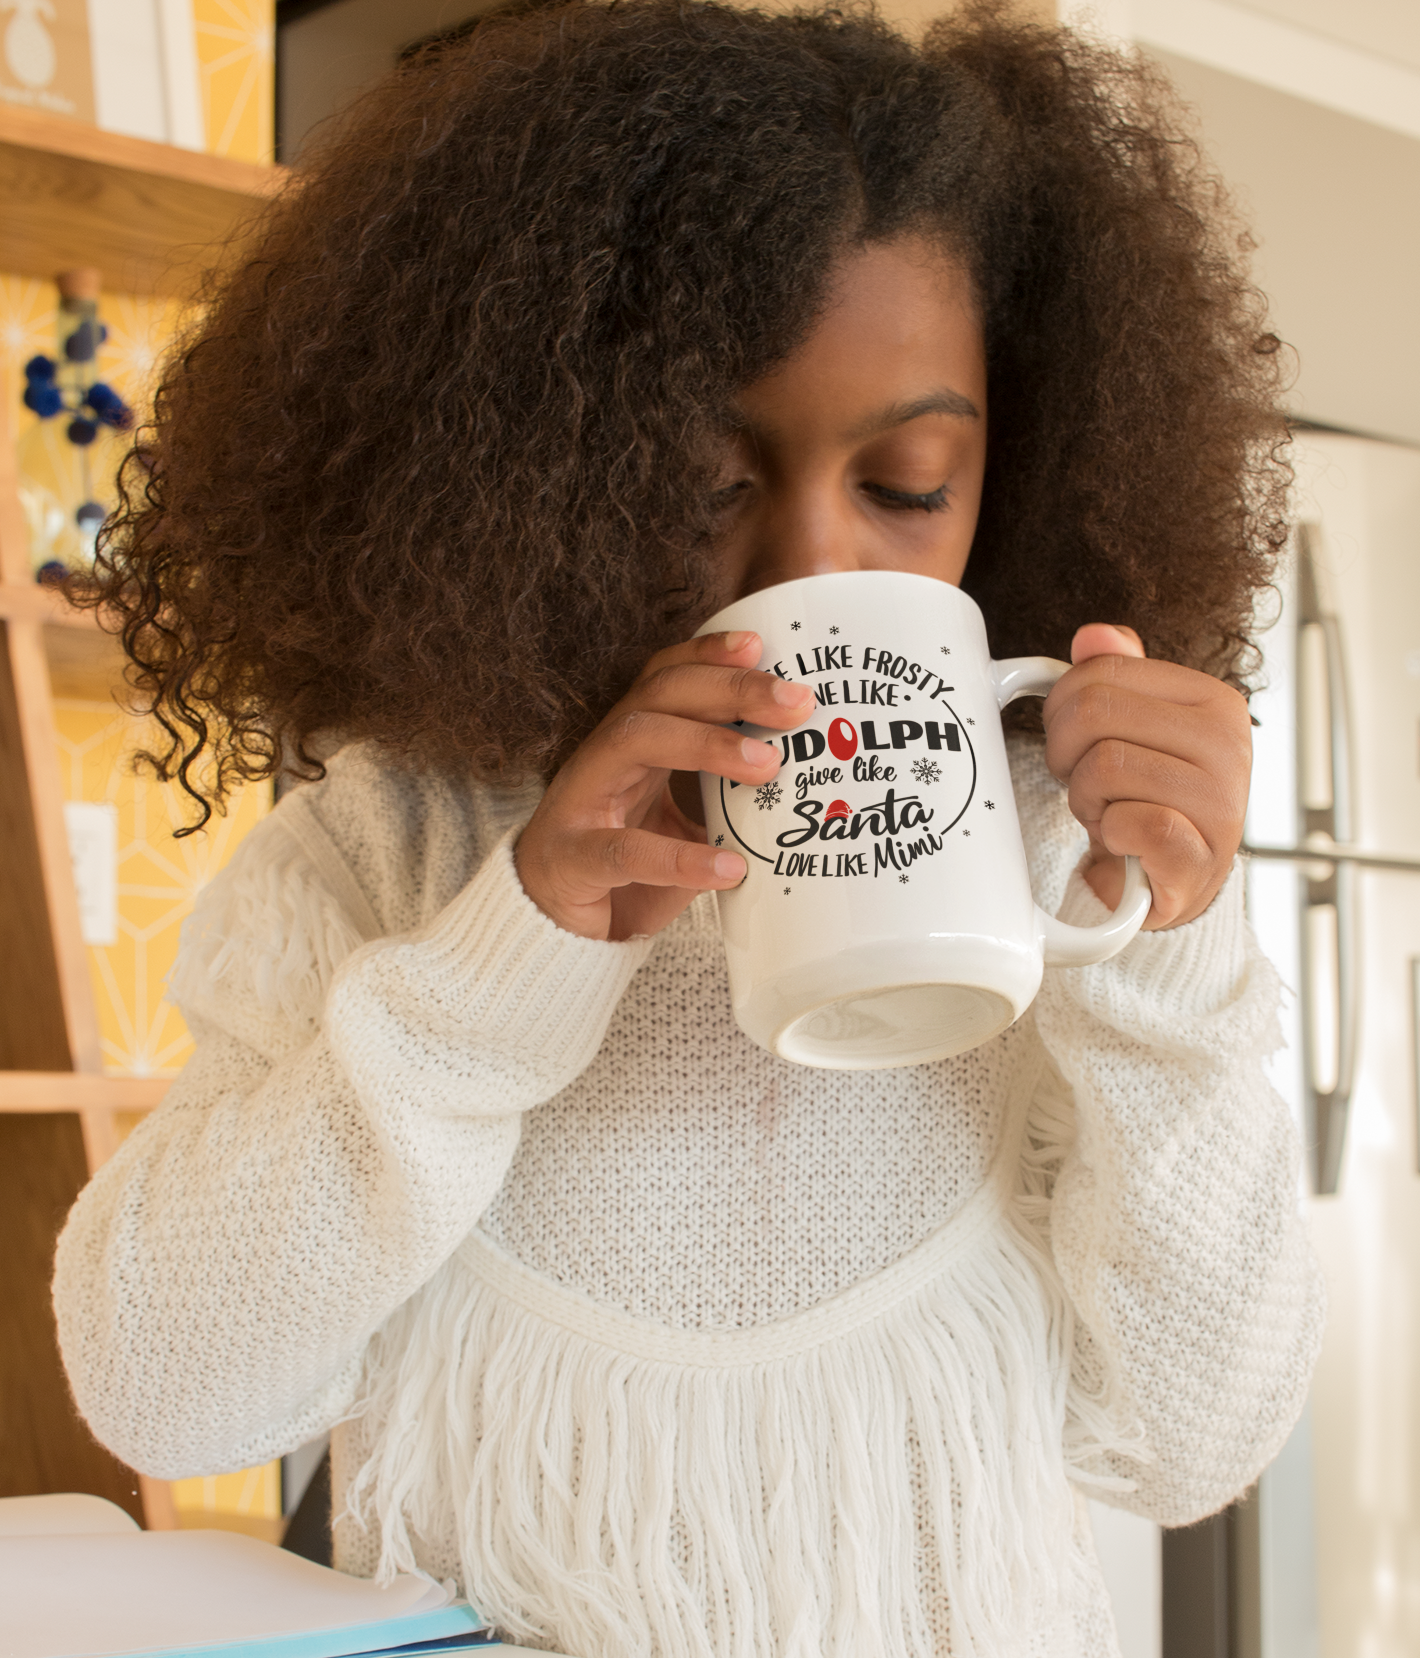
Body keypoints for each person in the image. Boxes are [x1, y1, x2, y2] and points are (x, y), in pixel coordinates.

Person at [54, 4, 1323, 1653]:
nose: (809, 566)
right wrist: (507, 952)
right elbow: (160, 1389)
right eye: (700, 485)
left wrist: (1165, 955)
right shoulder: (396, 849)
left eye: (911, 481)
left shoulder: (1057, 865)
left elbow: (1193, 1444)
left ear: (1011, 465)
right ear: (533, 465)